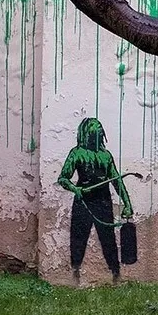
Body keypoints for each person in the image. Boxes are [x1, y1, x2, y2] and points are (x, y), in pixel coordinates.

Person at [58, 117, 133, 282]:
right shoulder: (77, 153)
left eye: (99, 132)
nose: (97, 134)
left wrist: (127, 203)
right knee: (78, 239)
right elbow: (63, 178)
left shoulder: (105, 156)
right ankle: (75, 273)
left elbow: (116, 181)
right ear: (86, 134)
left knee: (108, 240)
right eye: (94, 132)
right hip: (83, 202)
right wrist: (75, 189)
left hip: (103, 202)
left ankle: (115, 274)